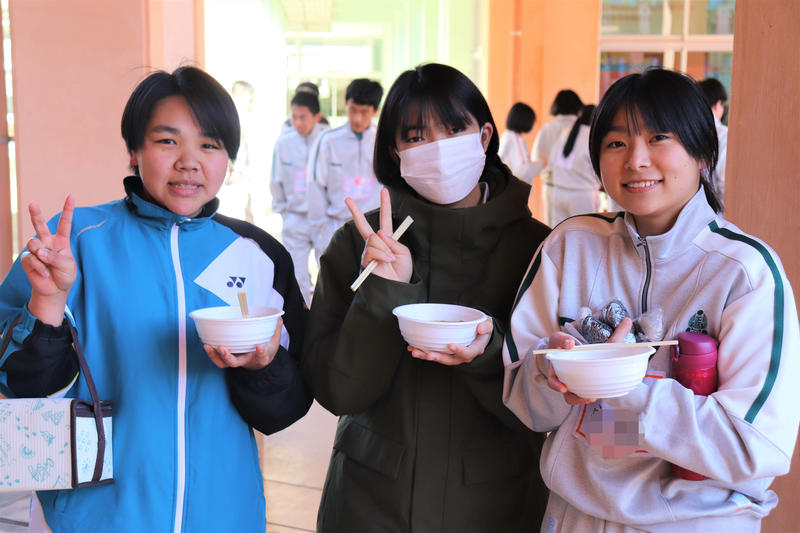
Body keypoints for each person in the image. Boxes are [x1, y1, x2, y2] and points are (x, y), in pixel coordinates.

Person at [0, 66, 312, 532]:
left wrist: (262, 367)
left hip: (223, 514)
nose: (189, 162)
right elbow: (23, 393)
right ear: (134, 150)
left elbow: (285, 409)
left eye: (210, 145)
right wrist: (48, 301)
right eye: (168, 141)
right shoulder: (76, 244)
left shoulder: (255, 255)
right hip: (98, 517)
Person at [502, 68, 800, 532]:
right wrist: (551, 373)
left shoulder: (744, 272)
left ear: (703, 152)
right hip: (575, 517)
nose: (636, 160)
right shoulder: (570, 246)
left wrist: (623, 384)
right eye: (617, 142)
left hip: (695, 523)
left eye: (659, 137)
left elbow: (756, 444)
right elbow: (527, 406)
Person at [302, 63, 551, 532]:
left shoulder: (539, 249)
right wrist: (385, 290)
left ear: (484, 136)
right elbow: (337, 391)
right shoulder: (359, 244)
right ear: (395, 152)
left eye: (454, 130)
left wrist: (488, 354)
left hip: (495, 503)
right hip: (372, 502)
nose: (437, 149)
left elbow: (553, 404)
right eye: (416, 136)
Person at [306, 78, 383, 256]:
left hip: (374, 229)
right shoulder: (328, 140)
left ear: (375, 111)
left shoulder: (382, 141)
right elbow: (314, 186)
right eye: (352, 109)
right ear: (346, 104)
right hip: (337, 227)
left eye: (364, 112)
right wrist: (322, 230)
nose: (357, 118)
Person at [271, 91, 329, 305]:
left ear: (317, 116)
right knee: (296, 275)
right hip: (295, 216)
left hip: (324, 218)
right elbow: (275, 179)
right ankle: (301, 318)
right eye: (294, 117)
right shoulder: (283, 143)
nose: (298, 122)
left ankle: (327, 318)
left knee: (328, 272)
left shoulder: (329, 141)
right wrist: (284, 211)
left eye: (303, 117)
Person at [531, 89, 584, 225]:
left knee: (554, 232)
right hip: (581, 190)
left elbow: (536, 159)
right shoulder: (584, 129)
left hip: (552, 188)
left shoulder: (547, 129)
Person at [548, 104, 600, 225]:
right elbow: (598, 168)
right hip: (582, 195)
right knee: (585, 233)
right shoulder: (592, 137)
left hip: (559, 192)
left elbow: (552, 160)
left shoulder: (566, 132)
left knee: (559, 234)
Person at [698, 77, 728, 205]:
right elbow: (724, 182)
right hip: (715, 210)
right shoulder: (723, 134)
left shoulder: (687, 131)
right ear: (718, 104)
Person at [498, 102, 544, 184]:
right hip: (513, 188)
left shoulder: (506, 135)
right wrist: (542, 163)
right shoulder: (516, 139)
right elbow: (524, 170)